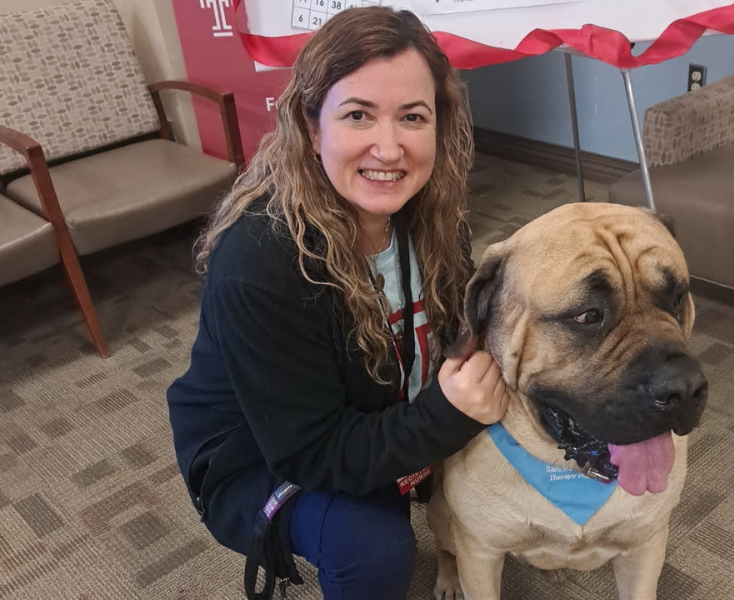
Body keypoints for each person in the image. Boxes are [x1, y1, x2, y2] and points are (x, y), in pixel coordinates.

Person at [166, 6, 510, 600]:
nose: (390, 146)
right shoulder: (261, 262)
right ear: (311, 123)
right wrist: (446, 417)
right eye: (358, 115)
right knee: (372, 549)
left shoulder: (433, 216)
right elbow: (314, 451)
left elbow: (458, 330)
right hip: (264, 456)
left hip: (381, 409)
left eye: (413, 117)